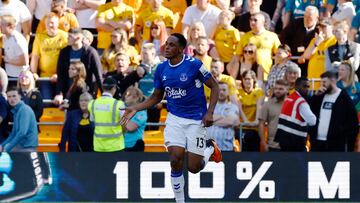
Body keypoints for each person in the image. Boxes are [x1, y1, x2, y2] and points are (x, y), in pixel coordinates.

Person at [120, 33, 222, 203]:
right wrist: (135, 108)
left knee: (193, 168)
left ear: (181, 49)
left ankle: (209, 148)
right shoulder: (161, 68)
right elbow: (156, 97)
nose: (167, 47)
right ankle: (180, 201)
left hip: (196, 119)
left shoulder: (194, 65)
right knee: (175, 159)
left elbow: (215, 87)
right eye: (166, 44)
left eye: (172, 45)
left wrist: (209, 112)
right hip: (174, 118)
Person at [309, 71, 358, 151]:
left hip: (335, 145)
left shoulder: (344, 98)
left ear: (332, 81)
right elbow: (310, 113)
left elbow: (352, 123)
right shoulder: (320, 96)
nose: (322, 85)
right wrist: (315, 97)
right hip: (317, 143)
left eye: (324, 82)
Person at [55, 28, 103, 103]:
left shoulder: (90, 52)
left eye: (70, 36)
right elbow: (60, 74)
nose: (67, 38)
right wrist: (59, 93)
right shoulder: (64, 52)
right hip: (69, 91)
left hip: (86, 91)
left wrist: (104, 94)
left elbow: (98, 75)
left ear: (78, 37)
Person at [30, 12, 68, 99]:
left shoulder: (65, 36)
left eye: (52, 23)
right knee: (46, 101)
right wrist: (34, 73)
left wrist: (59, 74)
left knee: (62, 102)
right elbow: (35, 57)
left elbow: (67, 58)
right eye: (48, 23)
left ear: (58, 24)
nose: (50, 25)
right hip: (45, 76)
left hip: (62, 76)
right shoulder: (39, 37)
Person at [233, 12, 280, 78]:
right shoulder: (244, 37)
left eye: (255, 20)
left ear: (263, 22)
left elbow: (279, 54)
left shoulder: (272, 36)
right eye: (251, 20)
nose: (252, 22)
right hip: (248, 77)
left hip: (266, 75)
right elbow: (237, 56)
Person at [275, 77, 317, 151]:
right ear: (297, 87)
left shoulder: (289, 98)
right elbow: (313, 121)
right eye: (304, 86)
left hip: (283, 138)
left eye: (308, 87)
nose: (307, 89)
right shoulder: (301, 102)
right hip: (295, 142)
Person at [279, 6, 319, 77]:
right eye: (305, 16)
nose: (306, 19)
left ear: (317, 17)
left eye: (309, 17)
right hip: (293, 59)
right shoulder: (296, 23)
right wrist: (289, 50)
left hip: (310, 61)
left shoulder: (320, 28)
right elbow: (283, 36)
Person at [88, 77, 126, 152]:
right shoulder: (119, 104)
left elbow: (92, 120)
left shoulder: (92, 103)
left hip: (99, 146)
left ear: (102, 87)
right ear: (114, 88)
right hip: (116, 146)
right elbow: (124, 125)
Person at [0, 87, 38, 152]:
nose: (11, 99)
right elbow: (14, 133)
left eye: (14, 96)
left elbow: (22, 133)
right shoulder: (16, 111)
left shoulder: (24, 110)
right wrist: (2, 145)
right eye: (9, 97)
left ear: (20, 96)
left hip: (27, 148)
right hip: (21, 146)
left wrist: (7, 148)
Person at [206, 82, 240, 151]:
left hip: (226, 148)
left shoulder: (233, 107)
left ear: (228, 92)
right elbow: (204, 120)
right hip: (207, 149)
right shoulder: (207, 106)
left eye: (224, 90)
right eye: (219, 90)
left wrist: (211, 120)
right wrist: (224, 117)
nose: (221, 92)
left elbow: (230, 121)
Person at [238, 70, 264, 151]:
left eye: (249, 79)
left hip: (254, 128)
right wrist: (246, 121)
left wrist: (256, 121)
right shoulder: (238, 92)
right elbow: (239, 108)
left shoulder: (259, 92)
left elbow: (259, 106)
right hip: (242, 127)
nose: (247, 81)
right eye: (245, 79)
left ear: (254, 80)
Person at [259, 79, 288, 152]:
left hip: (289, 146)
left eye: (281, 89)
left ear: (287, 90)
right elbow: (261, 123)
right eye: (276, 88)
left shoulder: (292, 104)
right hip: (273, 146)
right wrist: (263, 142)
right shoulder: (268, 104)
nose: (277, 91)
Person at [0, 15, 29, 79]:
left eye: (2, 24)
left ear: (10, 26)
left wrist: (7, 60)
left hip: (19, 77)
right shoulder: (5, 37)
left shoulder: (18, 40)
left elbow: (25, 61)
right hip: (9, 74)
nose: (0, 26)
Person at [123, 86, 147, 151]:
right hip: (122, 145)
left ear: (136, 98)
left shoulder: (141, 113)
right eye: (125, 95)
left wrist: (123, 115)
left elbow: (130, 127)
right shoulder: (124, 109)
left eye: (128, 95)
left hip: (135, 146)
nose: (125, 97)